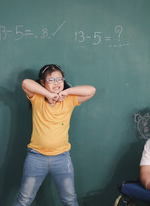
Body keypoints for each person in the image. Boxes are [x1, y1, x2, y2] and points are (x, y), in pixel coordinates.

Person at [14, 64, 96, 206]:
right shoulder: (37, 98)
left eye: (59, 79)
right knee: (24, 199)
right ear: (42, 82)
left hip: (62, 158)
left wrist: (67, 92)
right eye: (51, 80)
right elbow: (25, 83)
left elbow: (91, 90)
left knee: (70, 199)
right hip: (36, 156)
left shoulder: (69, 100)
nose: (56, 83)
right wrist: (48, 94)